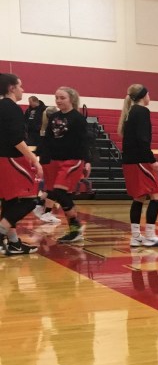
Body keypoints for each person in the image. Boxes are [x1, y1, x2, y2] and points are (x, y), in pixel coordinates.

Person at [118, 83, 158, 247]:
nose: (150, 97)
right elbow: (143, 140)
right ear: (143, 96)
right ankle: (150, 236)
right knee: (157, 196)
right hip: (140, 161)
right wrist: (152, 160)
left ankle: (136, 236)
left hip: (130, 161)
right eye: (148, 94)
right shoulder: (142, 111)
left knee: (139, 197)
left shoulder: (131, 112)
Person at [0, 73, 44, 255]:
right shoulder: (11, 108)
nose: (23, 90)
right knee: (30, 200)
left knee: (10, 202)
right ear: (12, 88)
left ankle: (14, 243)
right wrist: (34, 160)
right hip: (10, 158)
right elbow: (16, 139)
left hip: (3, 159)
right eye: (20, 86)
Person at [47, 86, 92, 244]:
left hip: (73, 159)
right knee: (59, 194)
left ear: (71, 99)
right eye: (57, 98)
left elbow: (85, 141)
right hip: (55, 160)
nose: (58, 101)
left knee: (60, 192)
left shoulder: (78, 118)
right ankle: (74, 230)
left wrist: (87, 161)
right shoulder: (53, 117)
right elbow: (48, 138)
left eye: (62, 98)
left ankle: (76, 228)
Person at [31, 105, 62, 225]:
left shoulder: (45, 127)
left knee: (51, 187)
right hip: (50, 159)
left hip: (45, 159)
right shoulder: (55, 128)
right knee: (54, 187)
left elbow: (41, 146)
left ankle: (38, 205)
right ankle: (45, 211)